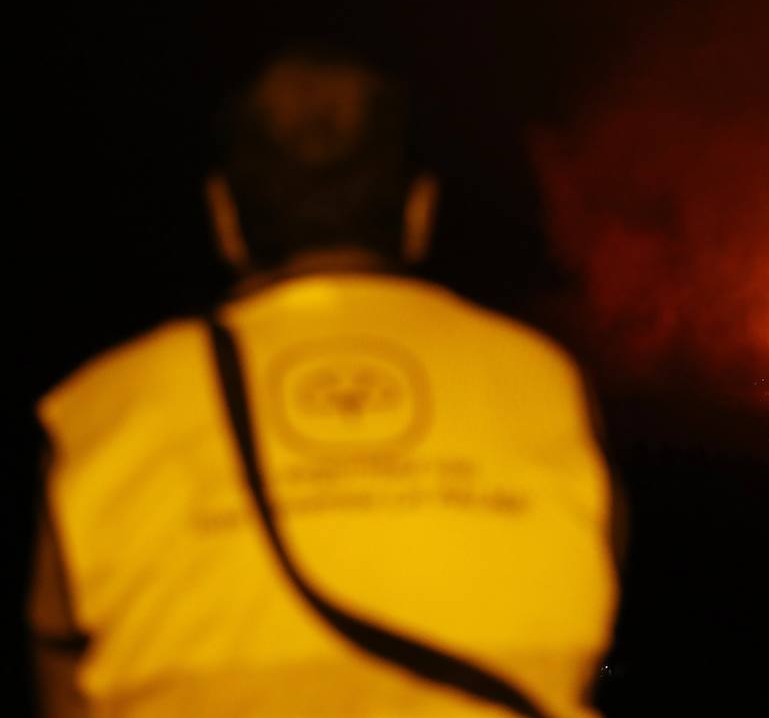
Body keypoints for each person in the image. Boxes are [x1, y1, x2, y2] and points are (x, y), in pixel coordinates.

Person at [27, 47, 620, 717]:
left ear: (224, 217)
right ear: (420, 211)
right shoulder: (542, 382)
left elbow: (62, 687)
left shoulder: (104, 408)